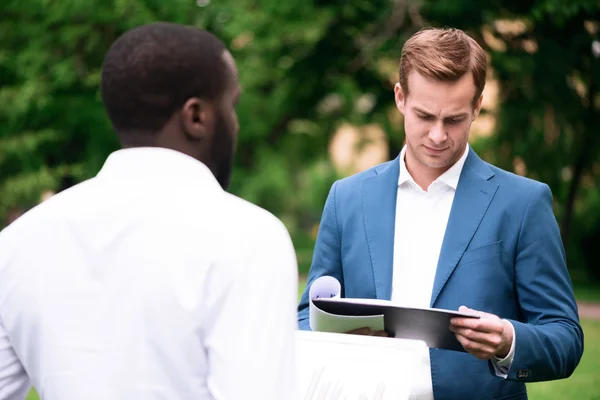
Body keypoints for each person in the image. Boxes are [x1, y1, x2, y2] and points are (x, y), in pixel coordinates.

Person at [0, 22, 298, 400]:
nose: (236, 124)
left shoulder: (17, 243)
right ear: (196, 116)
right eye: (232, 105)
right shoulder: (251, 238)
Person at [298, 27, 583, 400]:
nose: (436, 135)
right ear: (400, 97)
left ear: (477, 107)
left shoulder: (523, 203)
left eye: (454, 119)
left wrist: (508, 340)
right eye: (424, 115)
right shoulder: (347, 197)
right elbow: (306, 317)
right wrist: (333, 337)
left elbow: (564, 336)